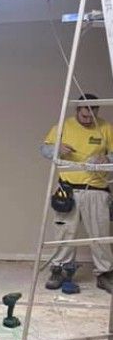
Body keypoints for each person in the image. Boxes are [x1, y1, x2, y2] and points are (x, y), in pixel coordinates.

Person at [41, 93, 113, 294]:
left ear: (97, 111)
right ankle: (60, 270)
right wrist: (56, 149)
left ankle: (105, 273)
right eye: (84, 115)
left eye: (92, 114)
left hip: (97, 190)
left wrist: (106, 157)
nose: (88, 118)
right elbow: (44, 149)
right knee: (64, 233)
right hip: (68, 190)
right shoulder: (63, 127)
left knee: (99, 234)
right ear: (77, 110)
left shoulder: (106, 128)